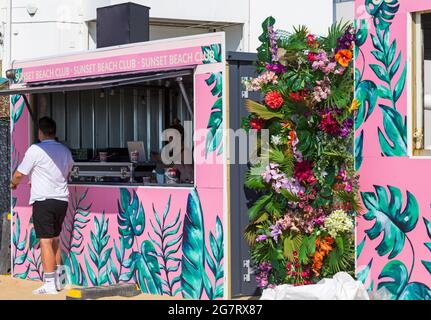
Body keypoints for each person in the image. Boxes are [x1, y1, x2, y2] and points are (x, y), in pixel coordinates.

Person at [10, 117, 74, 295]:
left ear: (40, 132)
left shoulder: (36, 150)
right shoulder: (64, 150)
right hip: (62, 200)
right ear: (54, 131)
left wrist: (12, 184)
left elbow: (19, 174)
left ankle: (49, 285)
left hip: (44, 200)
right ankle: (60, 281)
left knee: (45, 241)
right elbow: (66, 172)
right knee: (55, 239)